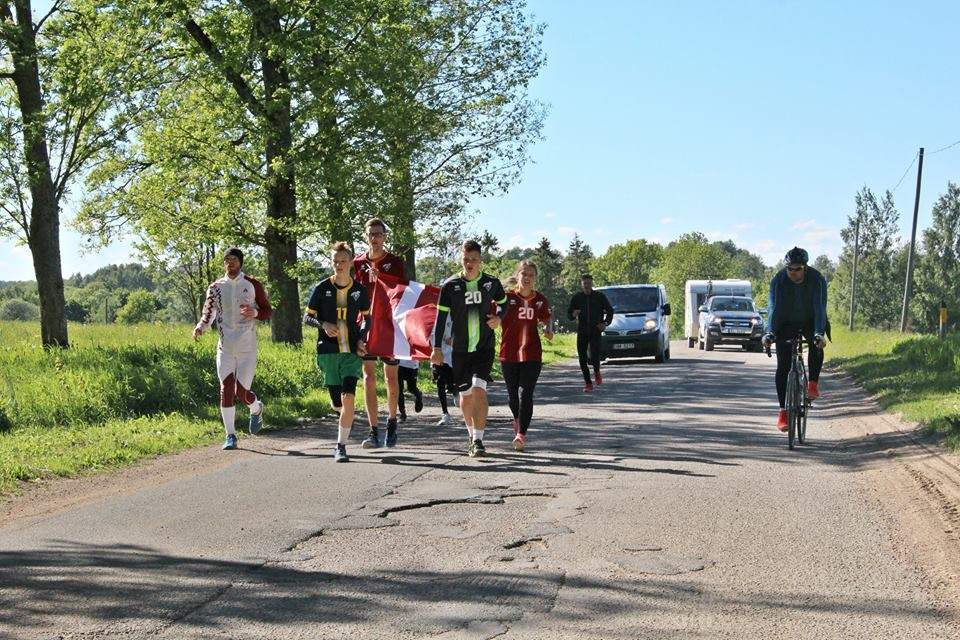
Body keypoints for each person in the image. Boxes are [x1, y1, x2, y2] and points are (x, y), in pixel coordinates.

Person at [431, 240, 508, 457]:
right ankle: (471, 434)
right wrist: (436, 348)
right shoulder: (450, 286)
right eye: (466, 259)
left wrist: (499, 318)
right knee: (465, 395)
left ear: (480, 260)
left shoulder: (491, 283)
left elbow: (504, 303)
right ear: (461, 259)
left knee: (479, 390)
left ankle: (479, 440)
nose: (470, 263)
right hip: (461, 350)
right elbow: (440, 319)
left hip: (484, 347)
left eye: (474, 259)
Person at [193, 248, 272, 450]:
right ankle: (230, 435)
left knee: (242, 393)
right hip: (225, 347)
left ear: (240, 262)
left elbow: (267, 311)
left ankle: (256, 408)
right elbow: (208, 312)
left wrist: (255, 312)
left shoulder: (252, 284)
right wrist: (201, 327)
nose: (230, 263)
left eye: (234, 259)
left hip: (247, 348)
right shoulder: (215, 287)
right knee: (226, 388)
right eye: (227, 260)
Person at [304, 242, 372, 462]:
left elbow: (367, 319)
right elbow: (307, 317)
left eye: (343, 261)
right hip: (328, 351)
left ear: (350, 262)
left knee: (348, 397)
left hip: (351, 352)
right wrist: (323, 324)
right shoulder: (321, 287)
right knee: (337, 403)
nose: (339, 265)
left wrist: (361, 339)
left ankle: (340, 446)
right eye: (335, 261)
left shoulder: (359, 290)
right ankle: (343, 415)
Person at [353, 218, 408, 448]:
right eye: (371, 234)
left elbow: (404, 292)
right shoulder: (357, 262)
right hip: (366, 325)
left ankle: (392, 422)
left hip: (389, 326)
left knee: (391, 377)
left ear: (385, 237)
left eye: (378, 234)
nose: (375, 238)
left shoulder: (395, 262)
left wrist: (384, 279)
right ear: (365, 236)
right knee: (368, 377)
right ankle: (373, 431)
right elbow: (353, 294)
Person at [761, 247, 829, 432]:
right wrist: (770, 332)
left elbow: (820, 308)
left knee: (816, 343)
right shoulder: (778, 280)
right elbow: (773, 307)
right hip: (786, 322)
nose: (793, 272)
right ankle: (783, 412)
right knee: (783, 365)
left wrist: (819, 333)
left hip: (810, 320)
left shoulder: (816, 279)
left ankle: (813, 383)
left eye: (797, 269)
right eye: (790, 268)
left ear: (805, 268)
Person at [500, 261, 553, 451]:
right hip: (509, 354)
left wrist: (549, 329)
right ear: (518, 276)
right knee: (512, 395)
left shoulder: (540, 299)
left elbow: (547, 317)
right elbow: (491, 314)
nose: (527, 278)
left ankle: (521, 435)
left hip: (532, 353)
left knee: (526, 393)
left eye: (531, 274)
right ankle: (517, 419)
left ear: (535, 278)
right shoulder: (506, 298)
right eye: (524, 274)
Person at [567, 273, 613, 393]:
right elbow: (569, 314)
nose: (587, 285)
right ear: (581, 284)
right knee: (582, 358)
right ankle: (588, 383)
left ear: (592, 283)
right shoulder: (577, 298)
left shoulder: (599, 296)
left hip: (595, 330)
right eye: (584, 283)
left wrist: (605, 323)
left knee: (594, 355)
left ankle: (597, 372)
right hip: (582, 331)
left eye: (588, 283)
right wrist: (573, 314)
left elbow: (610, 311)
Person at [432, 315, 456, 426]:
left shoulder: (454, 310)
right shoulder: (432, 311)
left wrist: (455, 338)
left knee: (451, 382)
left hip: (452, 352)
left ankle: (455, 390)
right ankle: (445, 413)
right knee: (440, 382)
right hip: (437, 351)